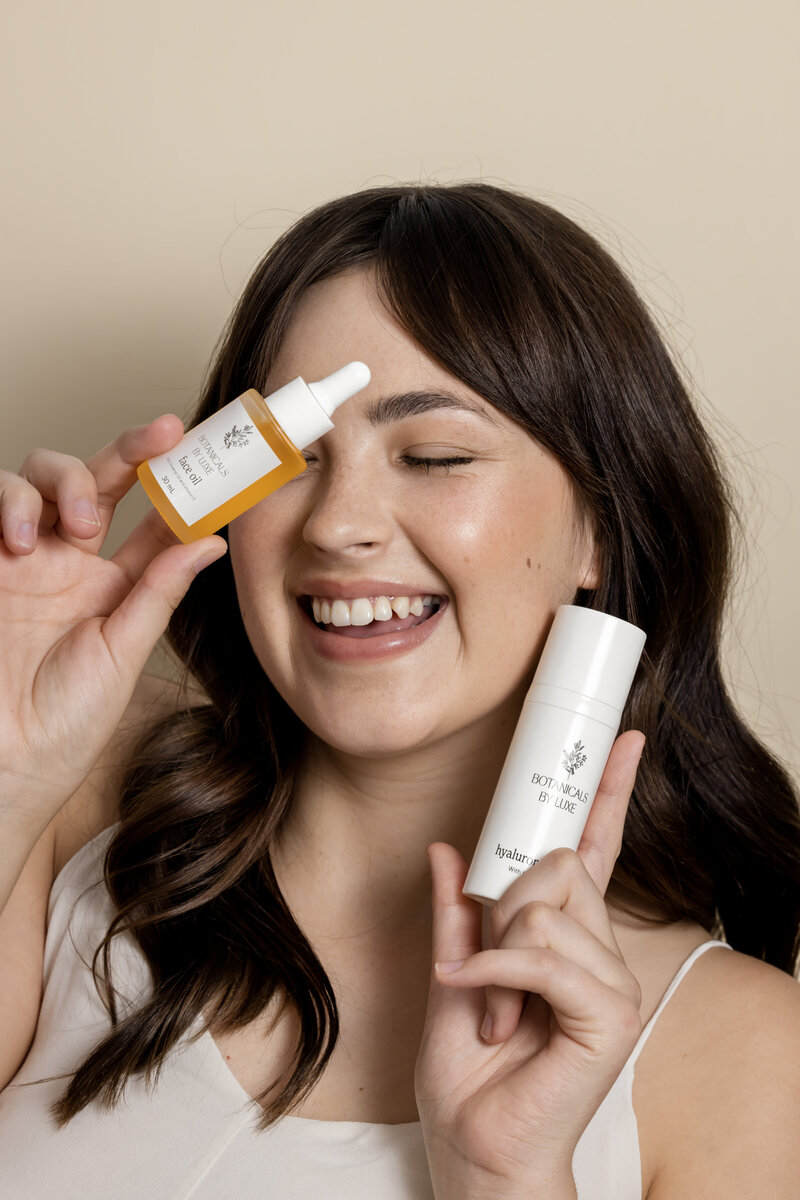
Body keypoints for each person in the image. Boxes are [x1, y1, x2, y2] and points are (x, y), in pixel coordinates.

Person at [0, 182, 798, 1200]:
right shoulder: (68, 825)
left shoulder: (739, 1055)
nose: (338, 524)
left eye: (433, 455)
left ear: (598, 527)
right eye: (289, 460)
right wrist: (10, 773)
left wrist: (503, 1176)